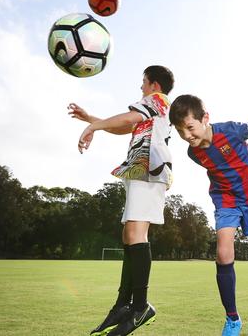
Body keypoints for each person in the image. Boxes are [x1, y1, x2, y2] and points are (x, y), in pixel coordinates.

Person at [168, 94, 248, 336]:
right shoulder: (193, 153)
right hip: (226, 200)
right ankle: (233, 319)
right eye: (179, 131)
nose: (186, 136)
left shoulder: (231, 130)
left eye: (189, 127)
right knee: (223, 252)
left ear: (205, 118)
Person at [69, 65, 175, 336]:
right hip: (141, 168)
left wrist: (94, 125)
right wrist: (91, 120)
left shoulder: (157, 100)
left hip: (149, 169)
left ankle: (140, 307)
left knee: (136, 233)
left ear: (154, 84)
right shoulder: (152, 110)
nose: (141, 87)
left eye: (143, 82)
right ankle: (123, 306)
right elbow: (126, 126)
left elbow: (129, 118)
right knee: (130, 235)